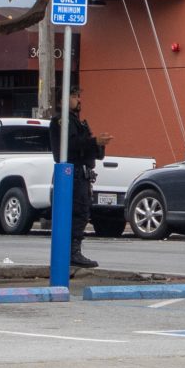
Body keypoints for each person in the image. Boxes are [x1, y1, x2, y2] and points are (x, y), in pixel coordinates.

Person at [49, 86, 113, 268]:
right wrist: (94, 142)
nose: (79, 99)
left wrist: (98, 145)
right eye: (74, 96)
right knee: (75, 213)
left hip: (82, 175)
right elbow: (69, 146)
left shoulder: (78, 122)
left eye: (78, 96)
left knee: (82, 213)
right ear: (62, 100)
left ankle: (73, 251)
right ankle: (71, 253)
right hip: (72, 174)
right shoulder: (61, 121)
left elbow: (91, 150)